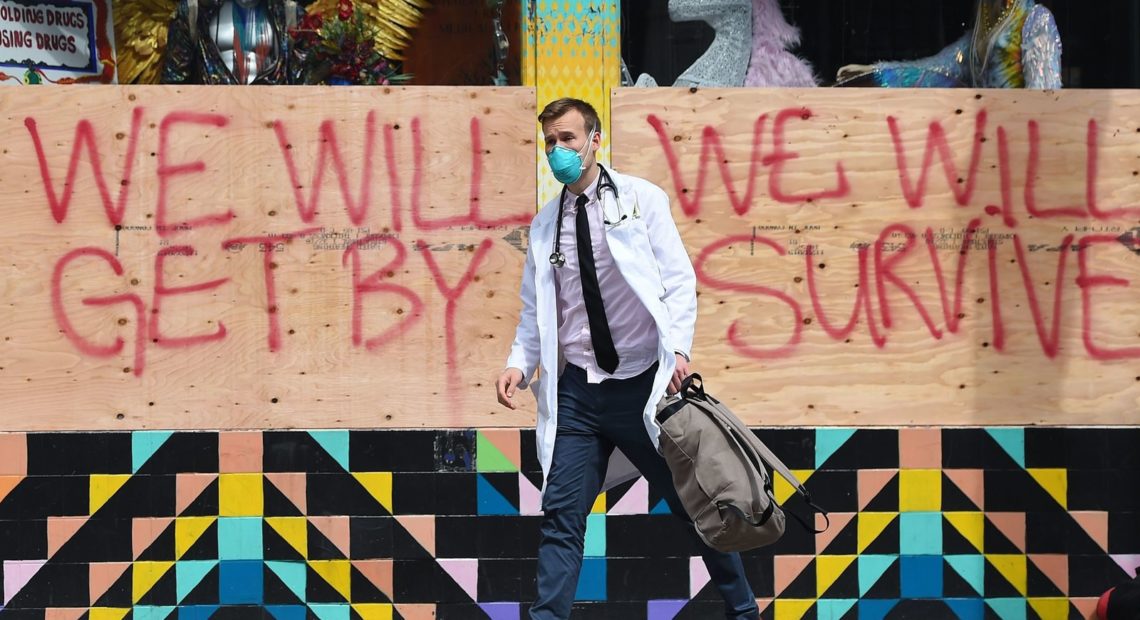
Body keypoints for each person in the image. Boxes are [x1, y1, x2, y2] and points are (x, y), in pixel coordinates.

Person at [494, 98, 760, 620]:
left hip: (643, 385)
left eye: (568, 139)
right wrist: (518, 365)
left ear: (596, 140)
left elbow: (679, 281)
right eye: (550, 142)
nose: (558, 151)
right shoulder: (546, 226)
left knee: (695, 507)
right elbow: (537, 311)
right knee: (562, 516)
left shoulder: (643, 200)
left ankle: (744, 611)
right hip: (578, 397)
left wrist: (679, 350)